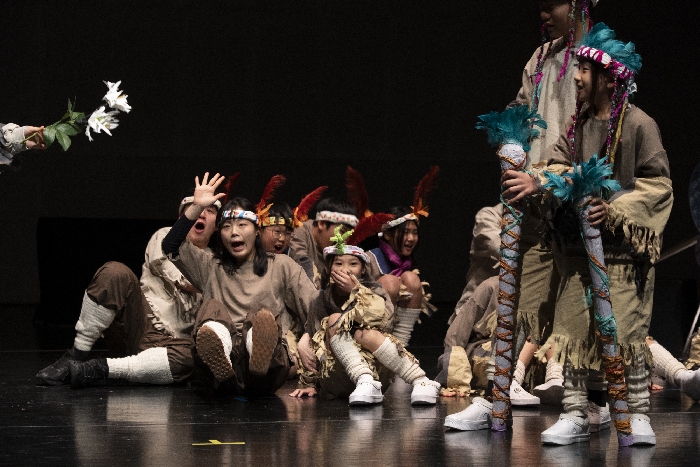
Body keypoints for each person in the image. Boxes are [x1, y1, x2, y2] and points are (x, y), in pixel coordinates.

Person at [513, 23, 672, 446]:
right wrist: (540, 182)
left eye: (585, 70)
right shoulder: (576, 126)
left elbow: (658, 185)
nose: (577, 77)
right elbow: (559, 166)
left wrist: (614, 209)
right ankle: (575, 412)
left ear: (609, 78)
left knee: (625, 334)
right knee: (573, 332)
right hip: (579, 252)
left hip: (621, 259)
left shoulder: (639, 125)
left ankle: (637, 413)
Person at [444, 0, 595, 431]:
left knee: (578, 307)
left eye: (551, 5)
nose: (542, 15)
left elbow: (603, 132)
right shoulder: (540, 57)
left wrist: (548, 180)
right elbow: (522, 109)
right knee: (518, 301)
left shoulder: (603, 57)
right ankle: (496, 396)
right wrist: (510, 138)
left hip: (575, 195)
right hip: (532, 199)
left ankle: (582, 408)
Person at [161, 173, 324, 396]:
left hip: (268, 367)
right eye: (227, 226)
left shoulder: (281, 265)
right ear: (220, 233)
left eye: (242, 225)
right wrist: (196, 207)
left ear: (257, 231)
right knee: (212, 310)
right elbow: (170, 246)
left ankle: (256, 355)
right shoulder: (209, 264)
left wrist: (306, 336)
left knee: (261, 315)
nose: (234, 232)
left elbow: (316, 306)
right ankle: (223, 361)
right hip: (219, 369)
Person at [36, 193, 220, 388]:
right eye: (195, 208)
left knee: (197, 357)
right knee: (115, 272)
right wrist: (207, 284)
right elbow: (169, 269)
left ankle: (102, 370)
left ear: (217, 225)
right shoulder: (166, 236)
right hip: (140, 324)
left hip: (171, 347)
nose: (201, 214)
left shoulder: (216, 261)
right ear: (182, 218)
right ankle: (77, 354)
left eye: (209, 211)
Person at [290, 223, 441, 405]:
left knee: (366, 333)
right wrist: (309, 383)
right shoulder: (321, 300)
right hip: (338, 377)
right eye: (338, 263)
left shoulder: (375, 291)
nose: (345, 269)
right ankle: (363, 379)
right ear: (329, 269)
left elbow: (381, 321)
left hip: (376, 372)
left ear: (363, 270)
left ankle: (420, 380)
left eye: (353, 264)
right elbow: (315, 343)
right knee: (335, 319)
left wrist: (357, 291)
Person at [366, 167, 439, 346]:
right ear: (387, 235)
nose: (411, 238)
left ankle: (400, 347)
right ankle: (381, 347)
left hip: (395, 338)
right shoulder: (369, 259)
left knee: (411, 279)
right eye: (405, 233)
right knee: (390, 282)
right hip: (366, 332)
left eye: (414, 232)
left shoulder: (406, 265)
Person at [288, 197, 359, 290]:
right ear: (322, 224)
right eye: (342, 231)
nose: (344, 240)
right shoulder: (299, 232)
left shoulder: (342, 245)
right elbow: (300, 260)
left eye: (348, 235)